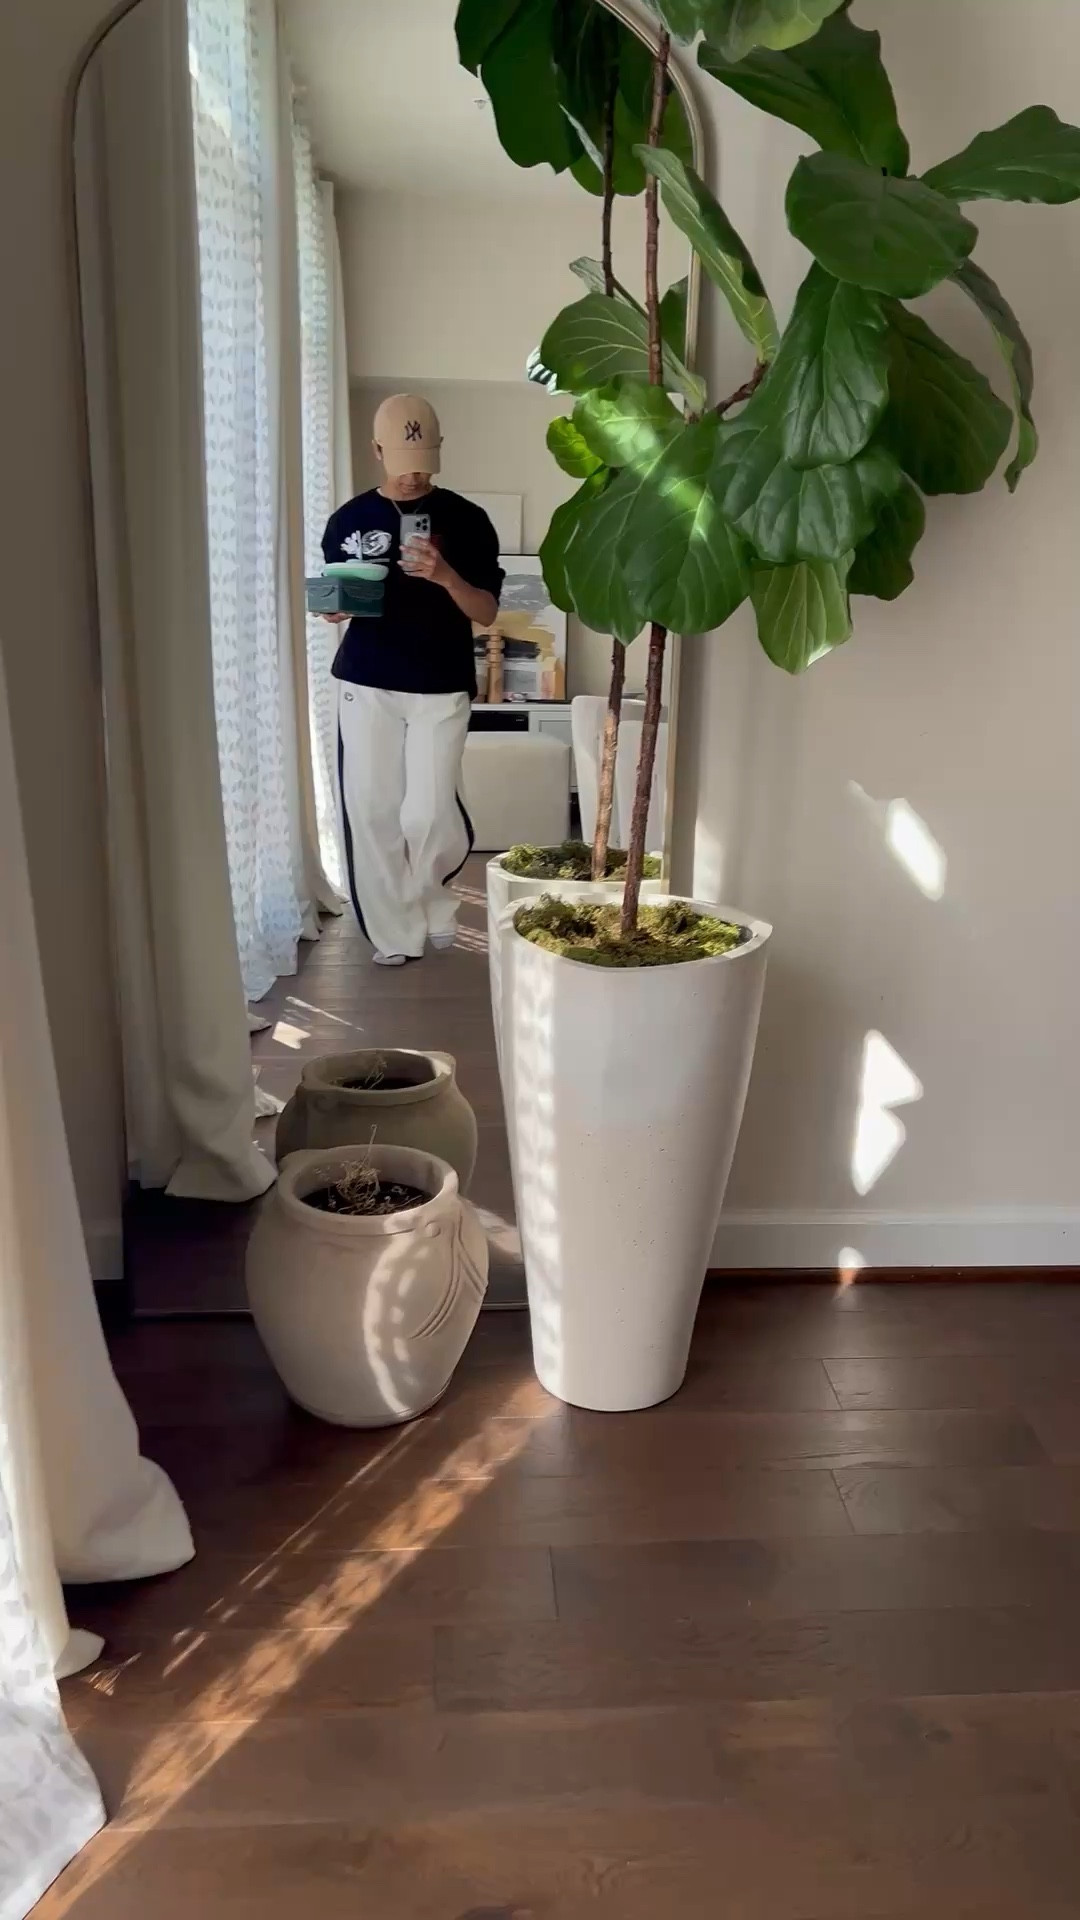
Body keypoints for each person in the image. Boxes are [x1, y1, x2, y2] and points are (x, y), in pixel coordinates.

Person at [322, 395, 503, 965]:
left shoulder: (469, 520)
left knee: (426, 813)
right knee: (372, 809)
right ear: (376, 450)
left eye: (424, 460)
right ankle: (394, 932)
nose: (414, 474)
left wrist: (445, 575)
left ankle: (432, 898)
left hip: (441, 682)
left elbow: (487, 612)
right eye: (401, 459)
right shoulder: (348, 520)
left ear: (440, 450)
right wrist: (335, 607)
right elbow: (337, 594)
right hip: (367, 680)